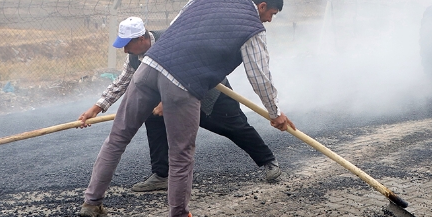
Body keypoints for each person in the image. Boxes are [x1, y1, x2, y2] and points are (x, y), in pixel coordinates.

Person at [79, 0, 294, 217]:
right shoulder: (253, 29)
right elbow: (259, 76)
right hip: (183, 82)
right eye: (271, 13)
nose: (269, 19)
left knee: (117, 139)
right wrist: (275, 113)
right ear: (261, 6)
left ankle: (92, 203)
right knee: (181, 155)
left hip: (149, 67)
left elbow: (179, 25)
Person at [77, 17, 281, 193]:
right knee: (153, 116)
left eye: (127, 44)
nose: (124, 50)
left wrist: (166, 103)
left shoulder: (171, 40)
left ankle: (268, 161)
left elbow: (190, 73)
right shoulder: (135, 56)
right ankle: (161, 175)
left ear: (142, 38)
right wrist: (97, 108)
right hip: (169, 97)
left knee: (235, 127)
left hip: (209, 92)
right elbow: (122, 82)